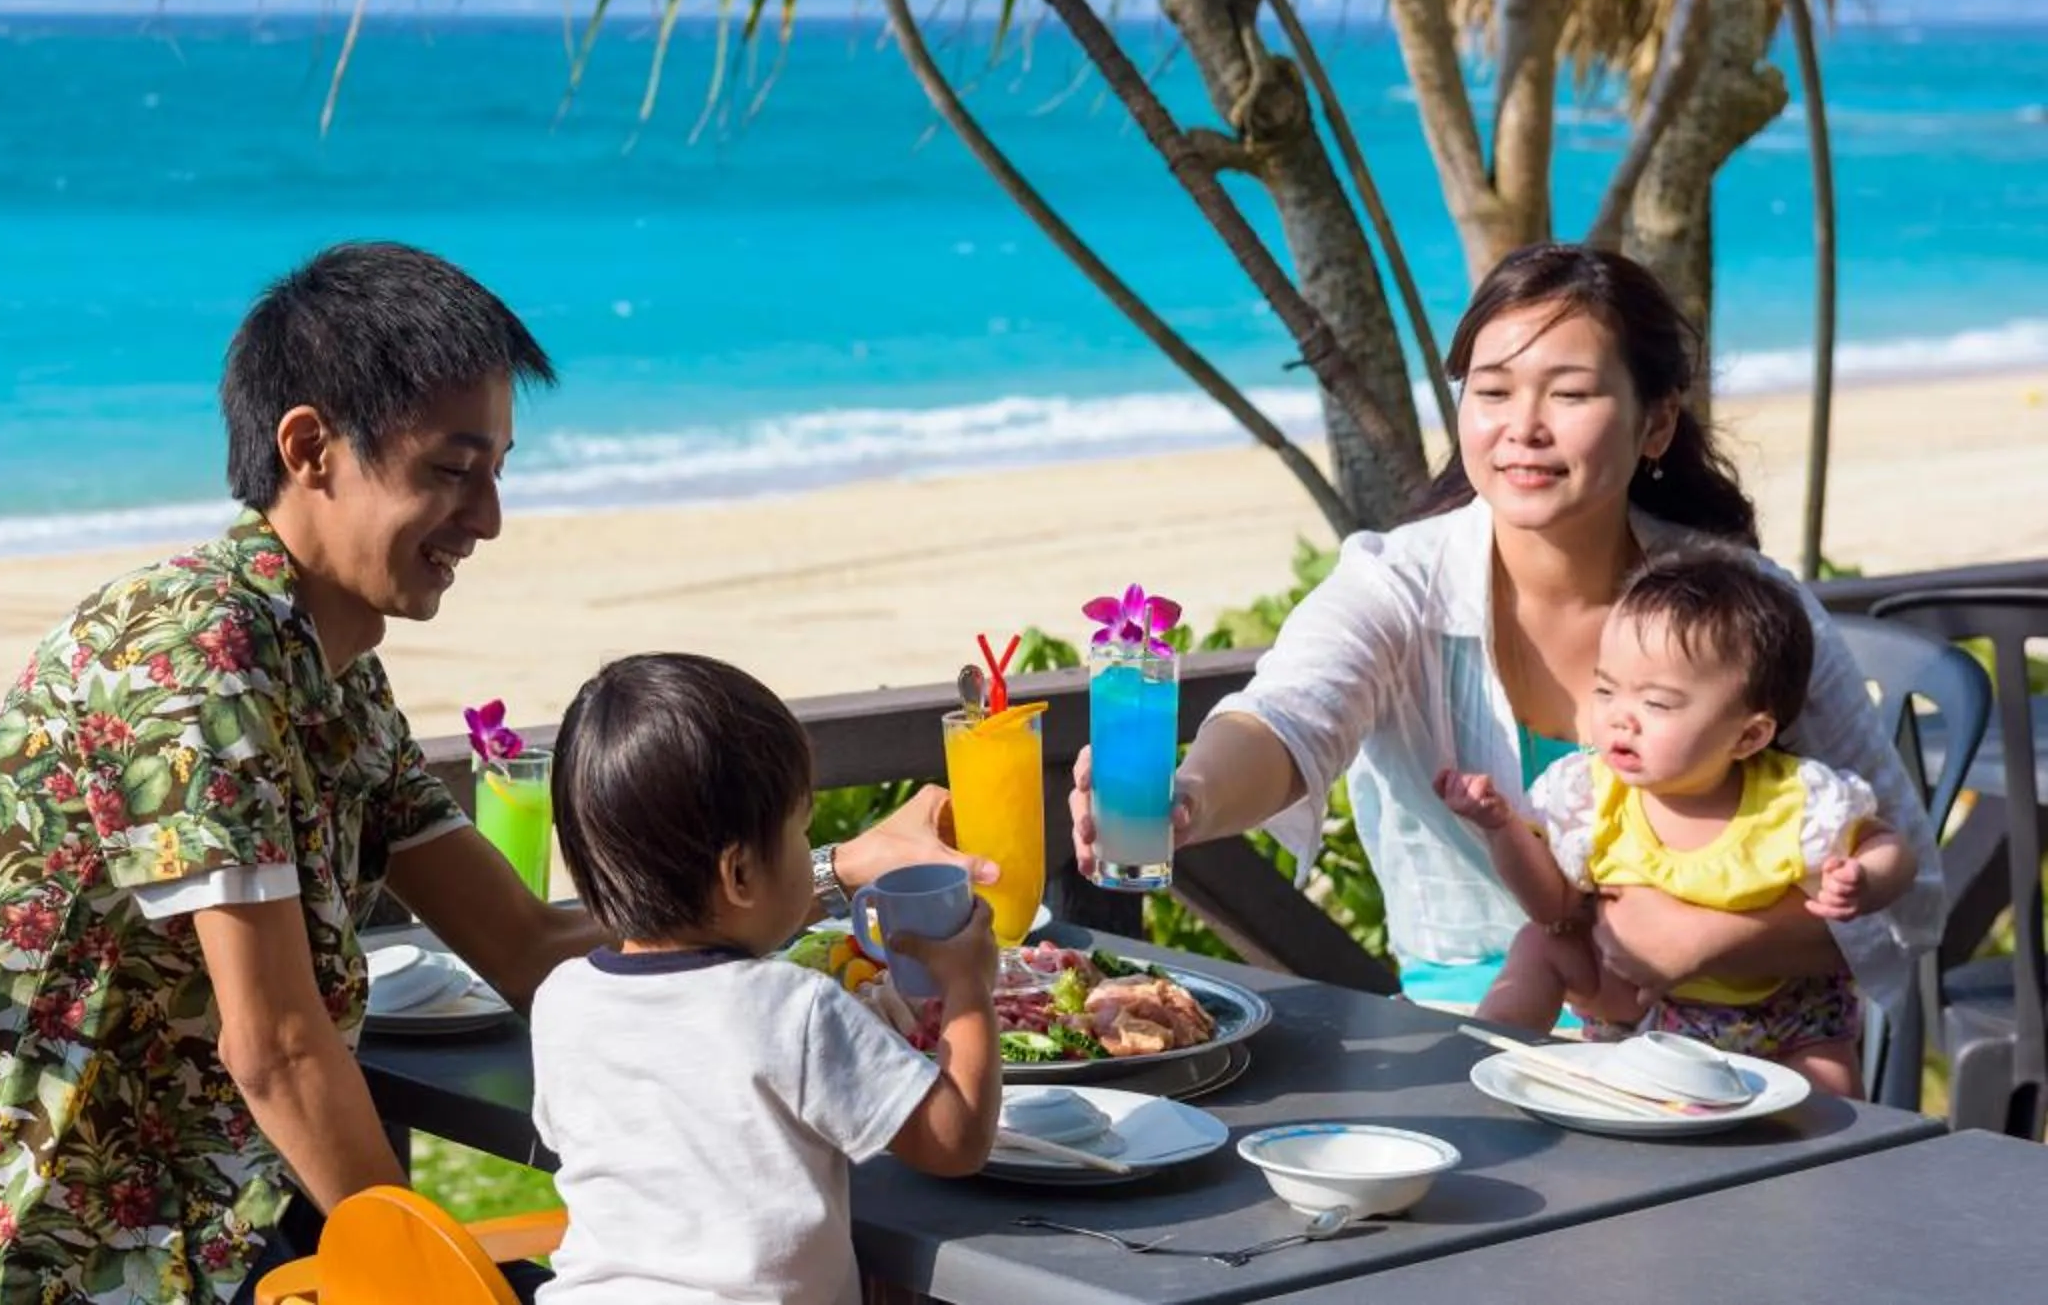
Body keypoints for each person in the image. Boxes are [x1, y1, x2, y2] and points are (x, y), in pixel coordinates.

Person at [0, 243, 994, 1305]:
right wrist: (422, 1277)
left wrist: (838, 869)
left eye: (498, 472)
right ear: (309, 448)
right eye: (454, 472)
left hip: (210, 1195)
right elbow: (274, 1047)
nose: (491, 519)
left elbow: (521, 945)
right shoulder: (192, 666)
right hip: (74, 1249)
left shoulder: (325, 674)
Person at [1068, 242, 1940, 1029]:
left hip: (1729, 1058)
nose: (1523, 426)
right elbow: (1288, 717)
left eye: (1570, 393)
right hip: (1477, 1034)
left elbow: (1908, 897)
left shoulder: (1748, 608)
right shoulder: (1397, 580)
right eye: (1491, 392)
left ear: (1657, 423)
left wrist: (1711, 946)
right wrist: (1184, 801)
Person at [527, 654, 1006, 1305]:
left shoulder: (562, 1003)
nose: (807, 845)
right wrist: (969, 988)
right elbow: (953, 1141)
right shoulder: (790, 1009)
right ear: (740, 876)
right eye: (800, 829)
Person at [1435, 551, 1915, 1091]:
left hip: (1781, 1015)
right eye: (1606, 689)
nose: (1621, 716)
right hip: (1637, 1005)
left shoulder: (1795, 799)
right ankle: (1487, 1056)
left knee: (1830, 1087)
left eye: (1658, 703)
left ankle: (1834, 1155)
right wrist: (1501, 829)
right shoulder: (1591, 795)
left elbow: (1889, 844)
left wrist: (1868, 878)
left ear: (1748, 736)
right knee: (1542, 943)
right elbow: (1556, 907)